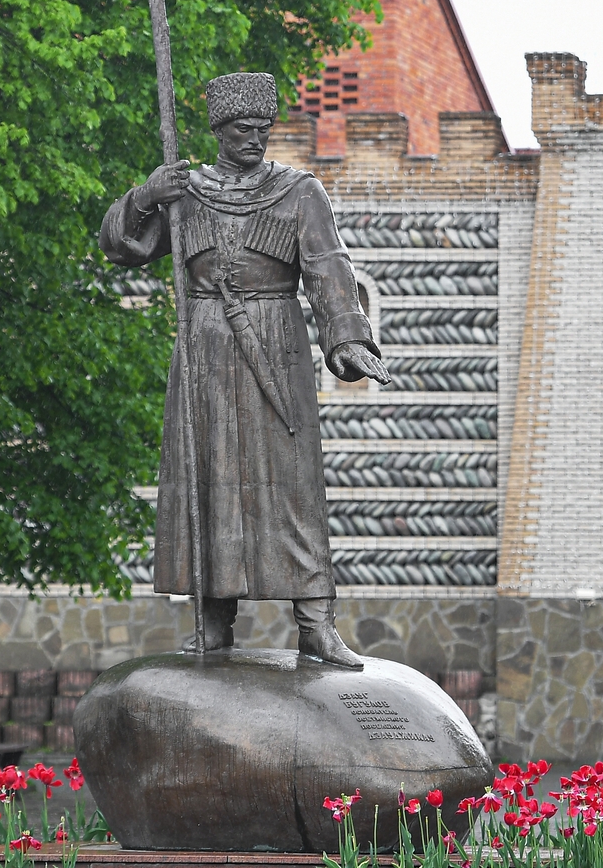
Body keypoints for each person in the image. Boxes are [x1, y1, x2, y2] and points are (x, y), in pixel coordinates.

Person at [101, 72, 390, 667]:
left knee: (293, 485)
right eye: (241, 130)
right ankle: (212, 621)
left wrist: (348, 341)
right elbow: (119, 246)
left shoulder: (298, 192)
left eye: (262, 129)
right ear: (219, 131)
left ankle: (315, 622)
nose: (254, 139)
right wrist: (144, 196)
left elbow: (328, 271)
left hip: (275, 346)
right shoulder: (187, 195)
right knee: (208, 477)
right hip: (203, 349)